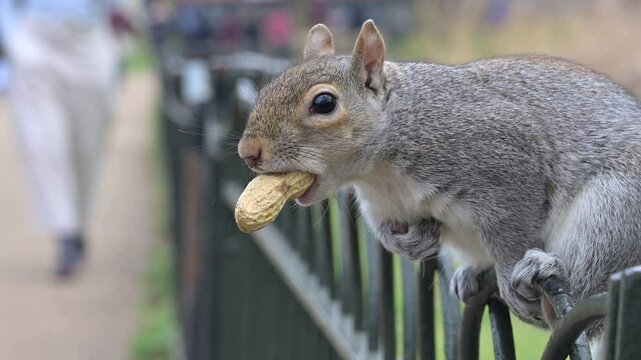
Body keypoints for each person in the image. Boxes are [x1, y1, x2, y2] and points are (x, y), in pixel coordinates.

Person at [0, 0, 128, 278]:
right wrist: (13, 40)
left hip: (89, 39)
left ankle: (77, 222)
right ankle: (65, 233)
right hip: (35, 39)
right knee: (43, 143)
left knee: (88, 147)